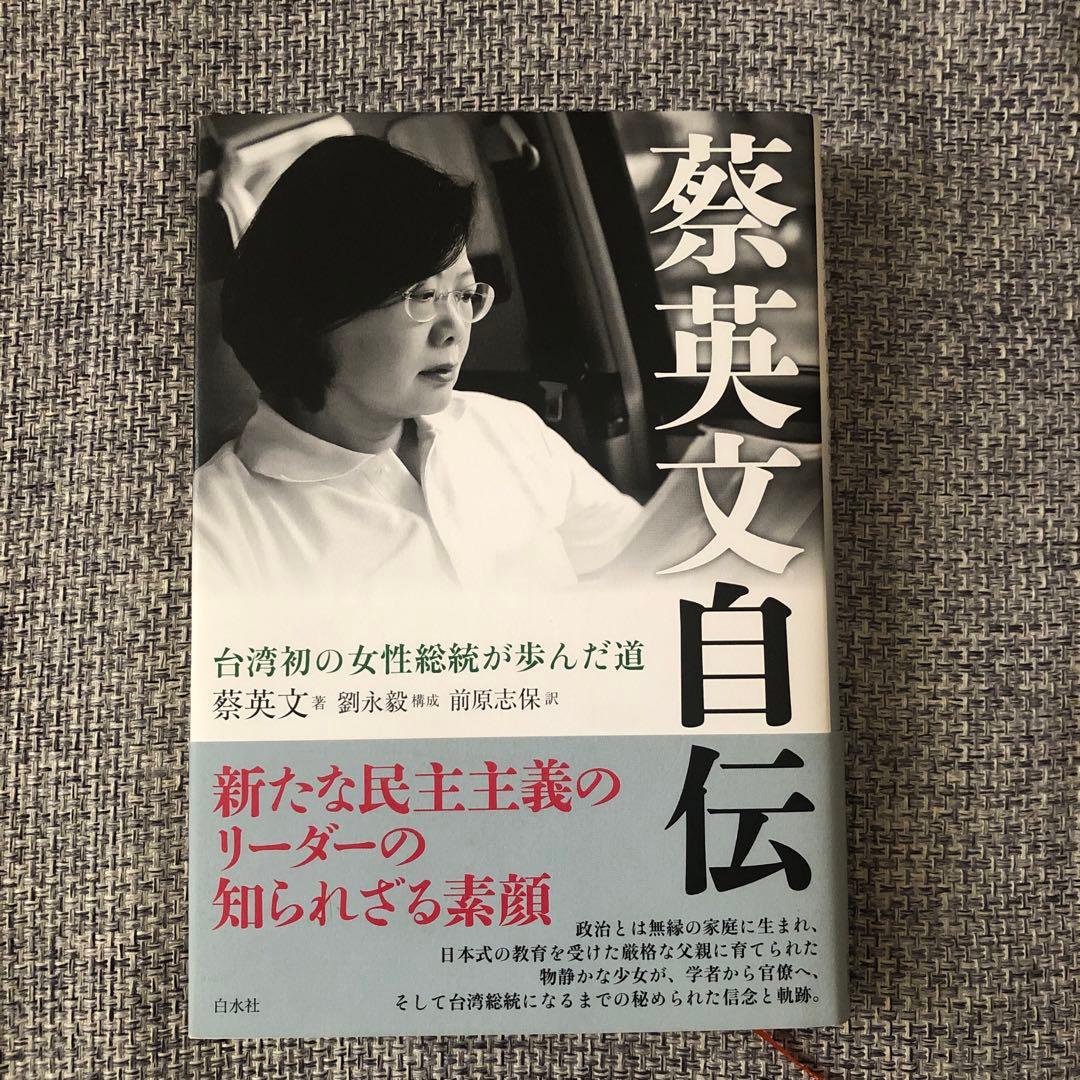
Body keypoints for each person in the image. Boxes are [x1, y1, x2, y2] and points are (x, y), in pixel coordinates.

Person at [195, 134, 643, 595]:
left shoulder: (507, 428)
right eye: (423, 296)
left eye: (464, 294)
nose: (455, 329)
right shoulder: (216, 531)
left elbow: (642, 555)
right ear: (314, 311)